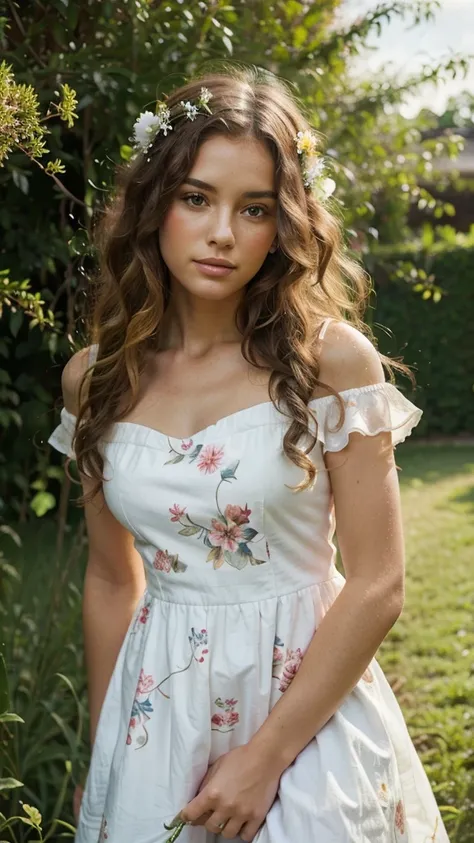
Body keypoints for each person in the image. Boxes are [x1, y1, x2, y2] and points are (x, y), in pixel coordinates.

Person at [48, 66, 449, 843]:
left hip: (306, 708)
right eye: (197, 197)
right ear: (155, 201)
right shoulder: (94, 380)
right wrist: (109, 748)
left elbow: (378, 581)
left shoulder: (330, 363)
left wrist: (265, 756)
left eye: (254, 208)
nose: (222, 232)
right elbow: (109, 574)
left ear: (284, 225)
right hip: (156, 713)